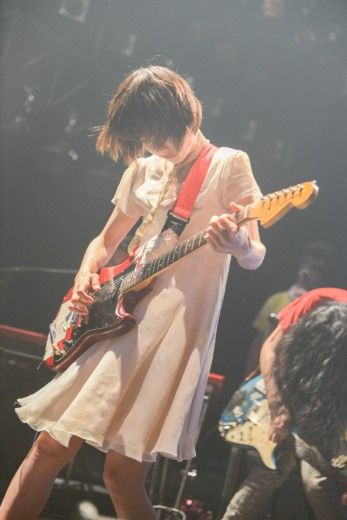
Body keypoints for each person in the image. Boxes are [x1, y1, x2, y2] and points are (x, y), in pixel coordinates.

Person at [0, 65, 266, 520]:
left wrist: (237, 243)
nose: (154, 148)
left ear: (188, 115)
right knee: (48, 448)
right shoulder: (144, 168)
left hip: (174, 334)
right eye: (145, 139)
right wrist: (86, 275)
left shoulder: (228, 164)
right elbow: (105, 242)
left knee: (122, 476)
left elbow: (256, 253)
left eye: (160, 137)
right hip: (118, 320)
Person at [222, 287, 347, 520]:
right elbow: (270, 347)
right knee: (270, 471)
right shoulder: (319, 299)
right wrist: (277, 405)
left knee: (318, 484)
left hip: (324, 408)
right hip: (285, 391)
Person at [243, 241, 335, 375]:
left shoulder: (324, 310)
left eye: (314, 268)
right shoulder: (276, 300)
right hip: (262, 375)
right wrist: (247, 376)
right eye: (305, 264)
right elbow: (257, 342)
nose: (307, 271)